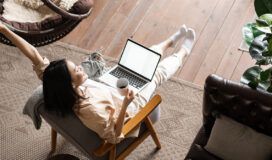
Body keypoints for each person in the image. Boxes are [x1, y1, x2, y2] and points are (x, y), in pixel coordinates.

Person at [0, 23, 195, 144]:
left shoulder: (54, 80)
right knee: (156, 74)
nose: (81, 67)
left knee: (136, 62)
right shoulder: (90, 110)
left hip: (107, 88)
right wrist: (126, 103)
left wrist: (3, 29)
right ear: (70, 85)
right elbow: (113, 137)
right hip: (128, 108)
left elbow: (33, 53)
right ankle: (183, 52)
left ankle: (170, 41)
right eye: (76, 70)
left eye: (75, 65)